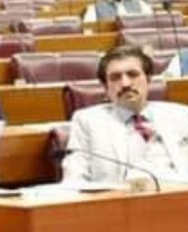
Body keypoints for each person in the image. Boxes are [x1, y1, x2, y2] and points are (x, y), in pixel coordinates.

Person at [62, 46, 188, 185]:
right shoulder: (87, 121)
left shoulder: (181, 115)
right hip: (120, 202)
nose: (125, 83)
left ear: (148, 79)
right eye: (115, 78)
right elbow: (74, 179)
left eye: (132, 74)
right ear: (105, 87)